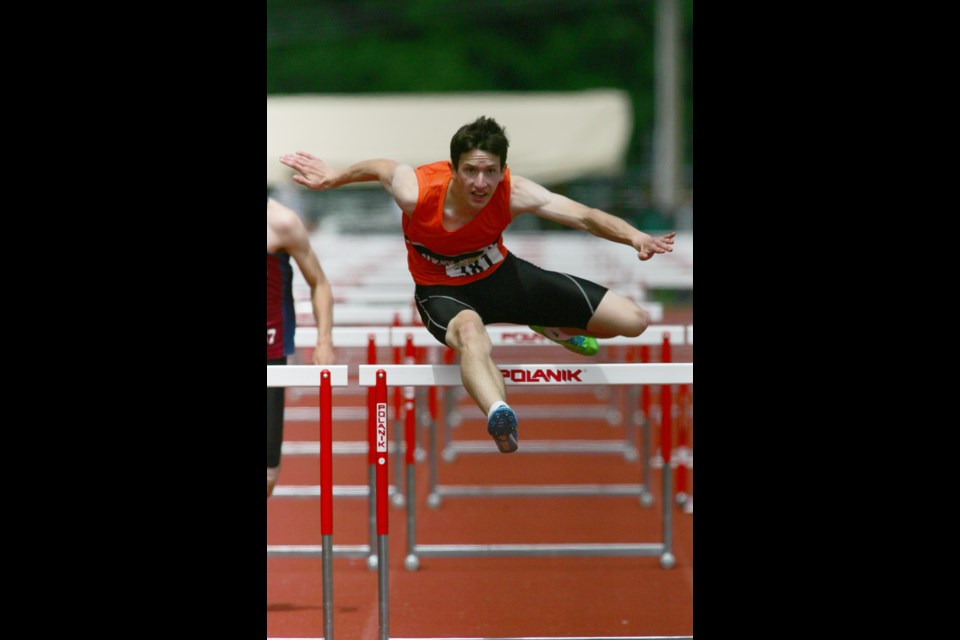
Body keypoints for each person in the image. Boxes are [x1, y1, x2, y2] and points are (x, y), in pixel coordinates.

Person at [279, 116, 674, 455]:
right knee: (471, 334)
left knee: (633, 319)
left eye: (490, 172)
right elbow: (381, 167)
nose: (480, 183)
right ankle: (499, 413)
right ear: (453, 169)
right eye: (471, 171)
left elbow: (585, 216)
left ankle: (552, 325)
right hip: (442, 292)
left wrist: (635, 236)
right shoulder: (416, 191)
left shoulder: (514, 191)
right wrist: (334, 178)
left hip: (503, 277)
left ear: (503, 170)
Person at [267, 194, 336, 498]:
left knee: (268, 475)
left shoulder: (282, 222)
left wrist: (324, 340)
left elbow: (319, 282)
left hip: (269, 355)